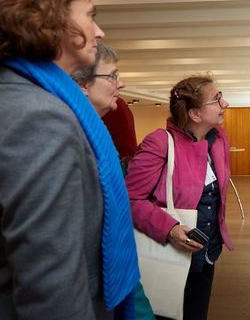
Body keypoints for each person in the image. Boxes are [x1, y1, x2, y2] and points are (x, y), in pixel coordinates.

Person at [0, 0, 139, 320]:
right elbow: (51, 281)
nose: (99, 31)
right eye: (90, 16)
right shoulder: (39, 119)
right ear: (51, 22)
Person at [125, 75, 233, 320]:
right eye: (216, 99)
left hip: (206, 253)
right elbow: (130, 200)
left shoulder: (218, 140)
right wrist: (170, 228)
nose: (224, 103)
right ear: (195, 114)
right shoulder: (160, 142)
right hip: (169, 253)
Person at [73, 43, 156, 320]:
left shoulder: (94, 133)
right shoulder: (75, 140)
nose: (121, 84)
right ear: (83, 85)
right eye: (112, 76)